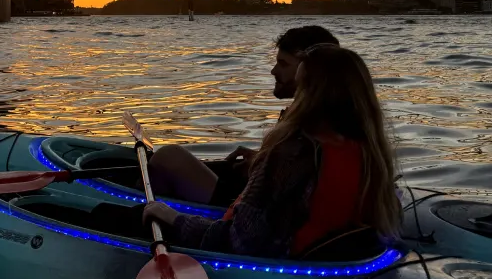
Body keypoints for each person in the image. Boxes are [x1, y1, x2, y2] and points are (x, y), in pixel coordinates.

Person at [143, 43, 401, 257]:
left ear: (311, 94)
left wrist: (175, 219)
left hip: (281, 266)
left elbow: (243, 244)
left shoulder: (290, 153)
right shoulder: (371, 153)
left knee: (127, 216)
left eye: (299, 86)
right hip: (325, 260)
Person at [146, 25, 340, 207]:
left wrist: (261, 165)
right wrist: (259, 159)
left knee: (168, 156)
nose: (273, 70)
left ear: (308, 71)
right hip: (250, 194)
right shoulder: (321, 117)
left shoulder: (313, 126)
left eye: (283, 64)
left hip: (246, 208)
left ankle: (149, 212)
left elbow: (288, 184)